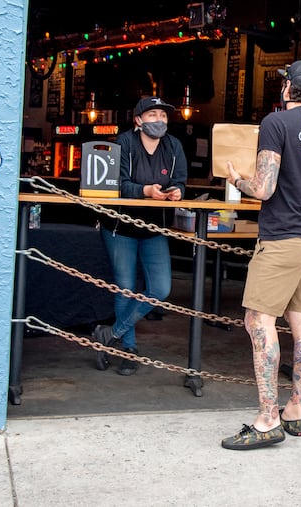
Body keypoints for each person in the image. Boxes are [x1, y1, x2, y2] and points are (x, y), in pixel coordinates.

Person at [222, 60, 301, 450]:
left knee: (258, 322)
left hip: (281, 240)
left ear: (288, 89)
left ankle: (266, 419)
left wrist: (235, 179)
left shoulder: (276, 124)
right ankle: (294, 409)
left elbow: (264, 188)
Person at [93, 96, 187, 376]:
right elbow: (115, 183)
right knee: (125, 287)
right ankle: (129, 349)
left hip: (154, 228)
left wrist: (177, 191)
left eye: (163, 116)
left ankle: (110, 333)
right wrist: (145, 191)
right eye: (153, 115)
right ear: (138, 120)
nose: (159, 120)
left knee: (160, 289)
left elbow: (180, 179)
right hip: (120, 226)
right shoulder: (123, 143)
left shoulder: (174, 146)